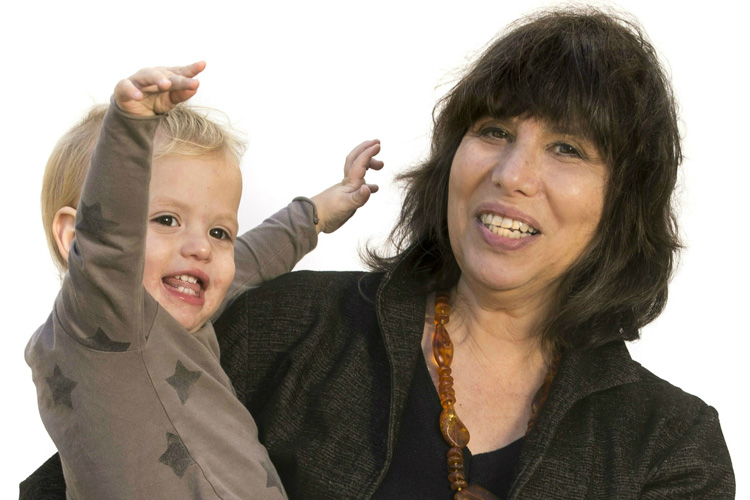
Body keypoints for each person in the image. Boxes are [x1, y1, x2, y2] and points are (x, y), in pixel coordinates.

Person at [21, 8, 735, 500]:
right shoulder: (284, 326)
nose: (513, 174)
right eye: (492, 131)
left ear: (625, 203)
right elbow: (92, 461)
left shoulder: (670, 448)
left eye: (567, 148)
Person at [24, 62, 382, 499]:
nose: (201, 247)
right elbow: (109, 240)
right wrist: (130, 127)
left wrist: (317, 213)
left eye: (218, 232)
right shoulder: (104, 324)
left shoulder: (176, 319)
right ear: (75, 237)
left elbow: (247, 261)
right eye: (167, 219)